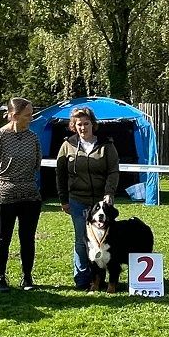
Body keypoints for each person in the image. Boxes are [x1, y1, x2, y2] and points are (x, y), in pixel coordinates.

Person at [56, 106, 120, 290]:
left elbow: (113, 170)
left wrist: (109, 192)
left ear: (93, 124)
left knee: (106, 240)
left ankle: (107, 277)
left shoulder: (107, 145)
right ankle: (83, 280)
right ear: (73, 126)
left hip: (102, 203)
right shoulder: (67, 145)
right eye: (79, 124)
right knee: (81, 241)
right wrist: (63, 199)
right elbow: (60, 175)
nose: (83, 127)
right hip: (77, 200)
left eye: (86, 123)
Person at [0, 98, 42, 292]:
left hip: (29, 194)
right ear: (14, 116)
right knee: (2, 237)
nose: (31, 118)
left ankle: (27, 276)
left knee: (27, 238)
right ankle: (0, 277)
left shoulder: (33, 137)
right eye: (28, 115)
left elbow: (37, 163)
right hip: (3, 195)